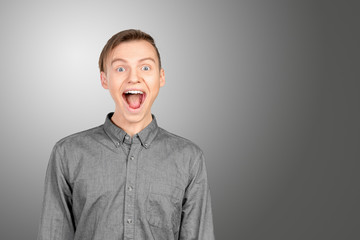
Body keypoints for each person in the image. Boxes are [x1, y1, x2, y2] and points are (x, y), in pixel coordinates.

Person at [37, 29, 215, 240]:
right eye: (121, 68)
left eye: (145, 67)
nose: (134, 78)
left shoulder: (189, 158)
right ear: (104, 79)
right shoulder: (67, 153)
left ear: (161, 77)